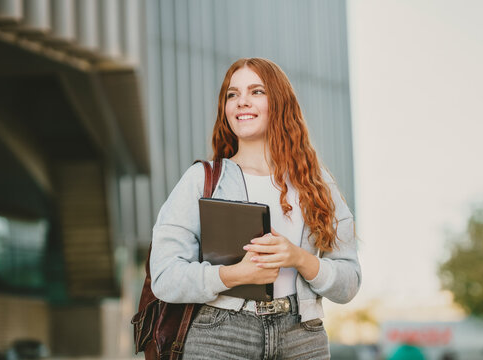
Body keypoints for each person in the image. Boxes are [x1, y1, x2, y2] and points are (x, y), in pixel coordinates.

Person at [150, 57, 361, 359]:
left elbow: (349, 283)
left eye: (256, 91)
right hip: (221, 336)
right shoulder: (202, 179)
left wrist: (298, 257)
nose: (241, 102)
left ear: (280, 103)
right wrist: (235, 274)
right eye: (232, 94)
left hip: (302, 337)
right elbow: (165, 277)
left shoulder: (316, 182)